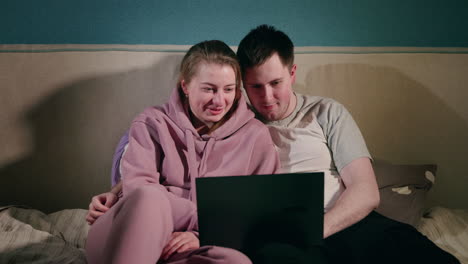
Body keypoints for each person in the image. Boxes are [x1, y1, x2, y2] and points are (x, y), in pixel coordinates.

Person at [89, 26, 460, 264]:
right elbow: (152, 172)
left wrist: (315, 229)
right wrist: (120, 192)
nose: (266, 97)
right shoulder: (233, 120)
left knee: (416, 254)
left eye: (276, 82)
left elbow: (365, 192)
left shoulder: (323, 113)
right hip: (276, 232)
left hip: (340, 220)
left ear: (293, 72)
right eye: (253, 86)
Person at [85, 40, 280, 264]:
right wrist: (206, 221)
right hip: (128, 233)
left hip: (191, 245)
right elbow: (138, 189)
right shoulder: (151, 122)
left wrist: (203, 234)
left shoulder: (255, 136)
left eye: (228, 89)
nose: (219, 100)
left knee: (237, 262)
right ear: (185, 86)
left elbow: (261, 213)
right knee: (150, 197)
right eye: (209, 89)